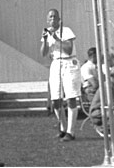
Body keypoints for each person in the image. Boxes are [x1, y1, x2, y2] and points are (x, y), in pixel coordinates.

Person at [40, 8, 81, 142]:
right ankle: (63, 128)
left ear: (59, 19)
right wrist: (46, 39)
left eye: (54, 17)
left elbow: (68, 50)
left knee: (70, 97)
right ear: (47, 20)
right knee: (55, 99)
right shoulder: (47, 34)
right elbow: (43, 53)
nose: (52, 19)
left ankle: (71, 131)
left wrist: (55, 37)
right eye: (50, 17)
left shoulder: (66, 31)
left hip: (69, 63)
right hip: (56, 63)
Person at [90, 66, 114, 137]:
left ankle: (113, 129)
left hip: (105, 110)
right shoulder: (107, 86)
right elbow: (112, 105)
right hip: (98, 113)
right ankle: (103, 129)